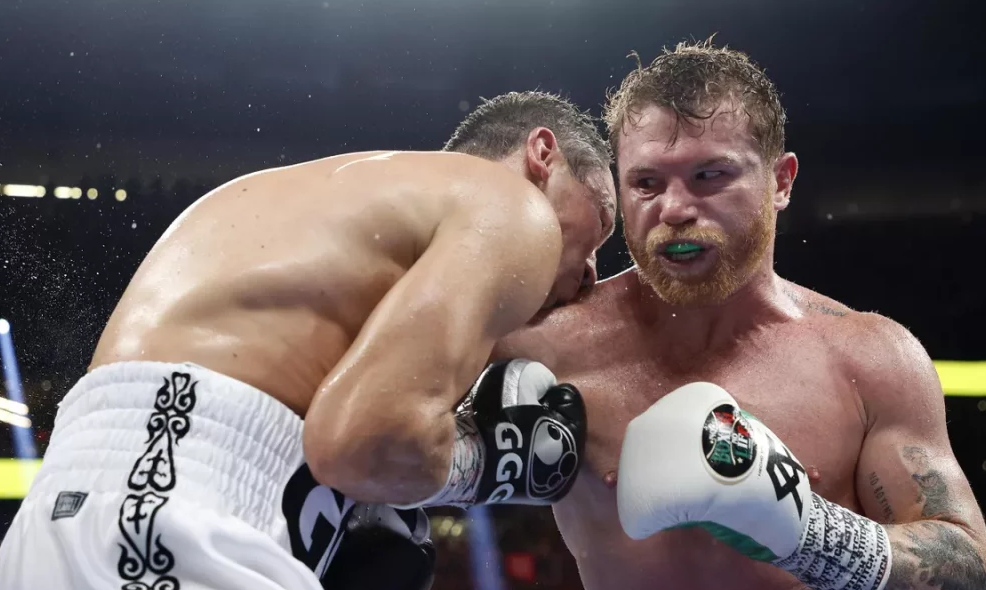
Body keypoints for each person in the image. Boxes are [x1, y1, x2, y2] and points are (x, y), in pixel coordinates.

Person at [0, 90, 617, 590]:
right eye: (600, 225)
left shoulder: (291, 199)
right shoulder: (511, 207)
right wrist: (486, 463)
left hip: (56, 522)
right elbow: (359, 445)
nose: (592, 270)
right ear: (543, 154)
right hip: (177, 513)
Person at [494, 42, 986, 590]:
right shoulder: (547, 345)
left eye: (709, 175)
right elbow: (416, 451)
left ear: (781, 182)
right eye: (646, 183)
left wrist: (809, 534)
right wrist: (466, 468)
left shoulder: (868, 358)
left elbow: (967, 562)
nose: (674, 209)